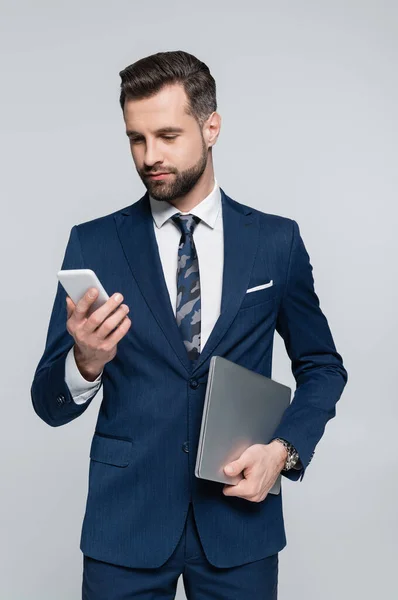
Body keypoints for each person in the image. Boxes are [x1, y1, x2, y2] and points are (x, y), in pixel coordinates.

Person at [31, 50, 348, 599]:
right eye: (136, 138)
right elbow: (47, 404)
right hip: (124, 525)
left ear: (211, 127)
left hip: (238, 521)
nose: (149, 156)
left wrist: (283, 451)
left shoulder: (277, 243)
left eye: (168, 135)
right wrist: (84, 364)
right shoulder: (94, 244)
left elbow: (323, 368)